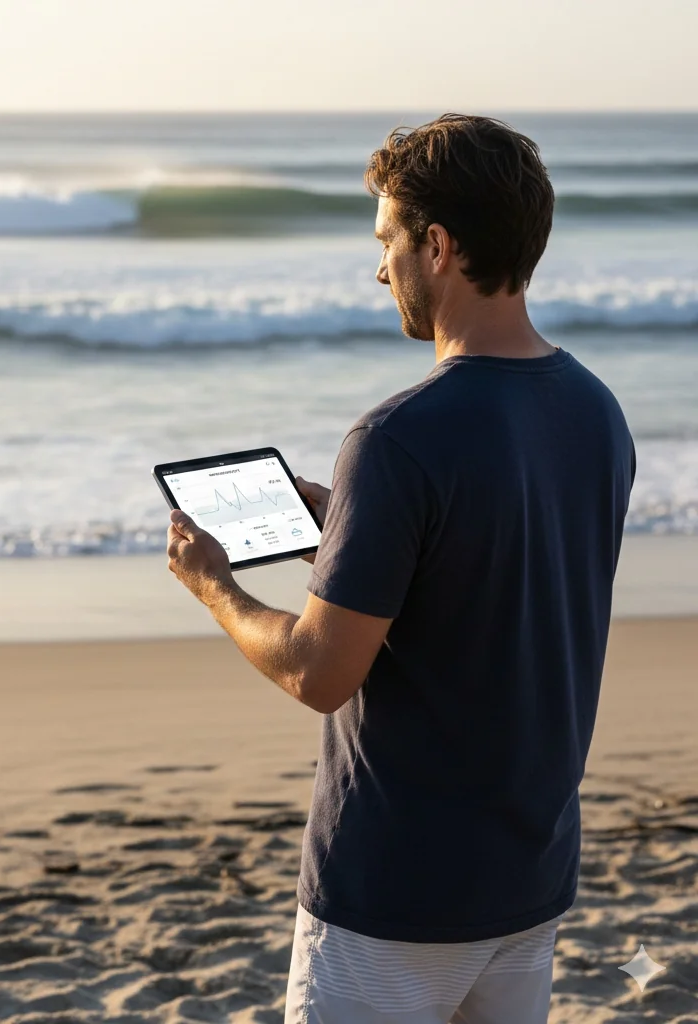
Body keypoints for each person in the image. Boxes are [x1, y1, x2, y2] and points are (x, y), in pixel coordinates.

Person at [165, 113, 635, 1024]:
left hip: (396, 894)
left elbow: (319, 672)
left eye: (387, 242)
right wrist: (348, 534)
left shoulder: (396, 438)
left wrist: (215, 585)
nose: (381, 270)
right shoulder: (594, 410)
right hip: (527, 880)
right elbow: (496, 580)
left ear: (438, 246)